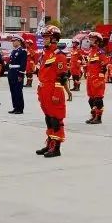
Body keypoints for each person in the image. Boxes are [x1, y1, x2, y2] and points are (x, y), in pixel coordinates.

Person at [36, 26, 70, 157]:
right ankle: (50, 143)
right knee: (48, 119)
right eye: (43, 37)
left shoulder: (59, 55)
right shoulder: (46, 54)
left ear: (54, 39)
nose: (44, 40)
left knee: (56, 120)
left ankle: (56, 148)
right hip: (44, 90)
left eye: (46, 37)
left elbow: (62, 77)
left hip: (54, 91)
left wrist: (56, 93)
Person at [84, 31, 108, 124]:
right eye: (90, 39)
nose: (90, 40)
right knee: (91, 100)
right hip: (90, 78)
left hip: (97, 79)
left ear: (97, 41)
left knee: (98, 99)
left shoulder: (100, 52)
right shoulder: (90, 52)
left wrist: (100, 79)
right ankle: (94, 116)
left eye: (92, 39)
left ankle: (99, 118)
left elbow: (104, 66)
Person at [7, 35, 27, 115]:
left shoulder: (22, 51)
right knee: (13, 90)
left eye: (14, 41)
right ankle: (15, 107)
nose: (13, 42)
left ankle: (20, 108)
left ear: (19, 41)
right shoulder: (13, 51)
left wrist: (21, 75)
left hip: (17, 72)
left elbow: (23, 64)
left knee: (18, 90)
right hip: (12, 72)